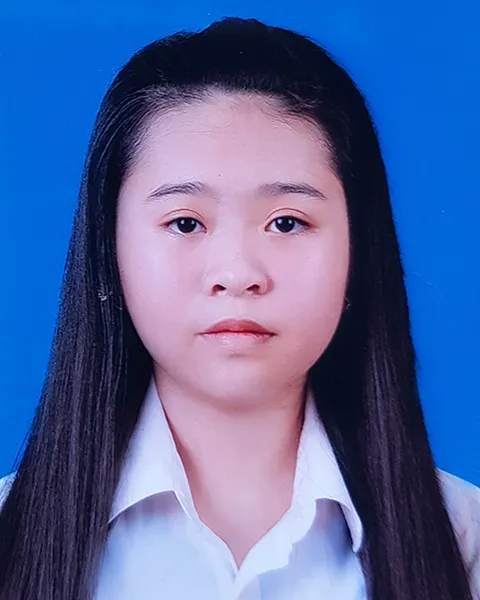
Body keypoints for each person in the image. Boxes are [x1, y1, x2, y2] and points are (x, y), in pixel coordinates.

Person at [0, 16, 478, 600]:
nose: (237, 273)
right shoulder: (10, 536)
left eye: (287, 222)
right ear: (110, 248)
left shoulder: (464, 541)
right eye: (185, 222)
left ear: (358, 249)